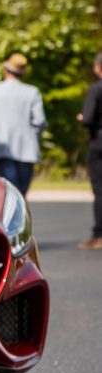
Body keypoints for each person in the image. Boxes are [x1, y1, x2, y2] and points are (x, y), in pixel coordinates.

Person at [0, 53, 47, 196]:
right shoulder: (32, 92)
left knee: (11, 195)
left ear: (7, 71)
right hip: (27, 149)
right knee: (20, 194)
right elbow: (40, 121)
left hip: (2, 148)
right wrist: (34, 139)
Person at [77, 51, 102, 250]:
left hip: (99, 144)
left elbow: (88, 119)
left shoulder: (96, 90)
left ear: (97, 68)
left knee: (99, 189)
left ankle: (98, 234)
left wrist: (81, 118)